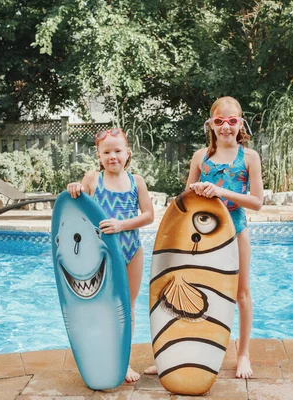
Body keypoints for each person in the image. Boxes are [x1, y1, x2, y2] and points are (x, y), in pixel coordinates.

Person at [145, 96, 263, 379]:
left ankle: (243, 355)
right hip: (200, 238)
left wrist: (220, 191)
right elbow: (186, 200)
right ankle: (173, 356)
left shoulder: (249, 157)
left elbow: (257, 201)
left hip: (235, 231)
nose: (226, 127)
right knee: (190, 292)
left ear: (240, 124)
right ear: (211, 124)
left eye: (232, 121)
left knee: (241, 294)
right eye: (219, 121)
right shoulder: (201, 157)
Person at [67, 127, 154, 383]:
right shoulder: (93, 179)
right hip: (101, 256)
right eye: (107, 152)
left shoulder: (137, 181)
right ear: (98, 155)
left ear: (128, 153)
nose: (112, 156)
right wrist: (74, 187)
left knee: (127, 308)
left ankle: (122, 362)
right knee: (103, 307)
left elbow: (148, 216)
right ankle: (102, 356)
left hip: (131, 251)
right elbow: (76, 202)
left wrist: (121, 225)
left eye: (118, 151)